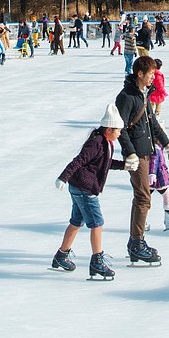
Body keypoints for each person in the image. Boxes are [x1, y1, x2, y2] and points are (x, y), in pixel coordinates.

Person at [52, 104, 126, 279]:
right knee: (97, 224)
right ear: (109, 129)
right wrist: (63, 177)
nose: (120, 134)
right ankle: (97, 261)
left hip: (79, 187)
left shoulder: (105, 142)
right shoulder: (96, 143)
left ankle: (61, 255)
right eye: (118, 131)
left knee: (76, 221)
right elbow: (79, 160)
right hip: (84, 188)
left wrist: (125, 165)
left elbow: (105, 163)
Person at [116, 55, 169, 265]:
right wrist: (129, 152)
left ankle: (136, 242)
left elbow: (153, 122)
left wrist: (166, 143)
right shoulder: (127, 96)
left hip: (146, 151)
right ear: (140, 73)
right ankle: (136, 243)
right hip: (136, 155)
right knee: (143, 197)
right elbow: (118, 128)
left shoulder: (143, 94)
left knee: (142, 197)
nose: (153, 78)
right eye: (150, 74)